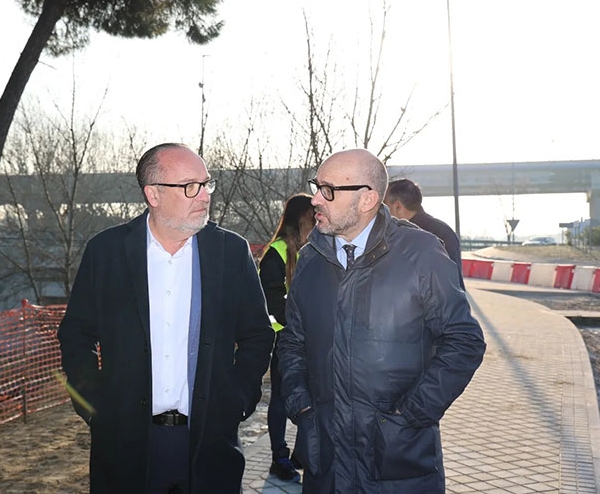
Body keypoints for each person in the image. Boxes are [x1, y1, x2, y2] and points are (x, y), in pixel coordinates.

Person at [57, 143, 274, 493]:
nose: (204, 196)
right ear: (153, 194)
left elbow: (257, 334)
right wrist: (94, 405)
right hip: (125, 446)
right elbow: (76, 334)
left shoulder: (231, 252)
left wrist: (237, 401)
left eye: (206, 184)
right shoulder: (107, 252)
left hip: (209, 444)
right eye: (190, 186)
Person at [277, 149, 486, 493]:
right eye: (317, 187)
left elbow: (464, 341)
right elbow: (293, 342)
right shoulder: (311, 258)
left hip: (397, 466)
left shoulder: (421, 253)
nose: (315, 199)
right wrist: (302, 405)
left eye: (328, 190)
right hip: (325, 465)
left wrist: (410, 415)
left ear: (367, 199)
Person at [258, 193, 315, 483]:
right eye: (312, 214)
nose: (317, 218)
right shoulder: (277, 252)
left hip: (312, 338)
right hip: (286, 339)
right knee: (281, 399)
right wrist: (296, 326)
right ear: (301, 217)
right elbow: (270, 300)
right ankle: (279, 458)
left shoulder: (314, 248)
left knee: (312, 396)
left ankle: (301, 454)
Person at [384, 177, 465, 288]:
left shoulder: (407, 236)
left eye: (384, 204)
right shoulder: (444, 231)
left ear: (398, 206)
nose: (381, 211)